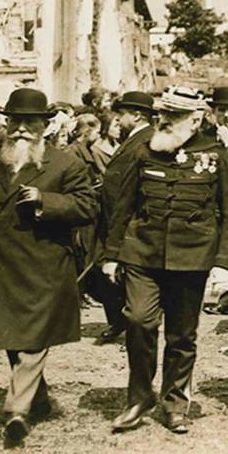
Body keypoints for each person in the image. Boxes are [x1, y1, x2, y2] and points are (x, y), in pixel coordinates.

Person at [0, 88, 97, 449]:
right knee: (13, 337)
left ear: (44, 126)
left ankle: (16, 411)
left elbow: (87, 206)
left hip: (44, 266)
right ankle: (38, 398)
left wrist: (47, 200)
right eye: (16, 121)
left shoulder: (65, 163)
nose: (21, 129)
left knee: (31, 340)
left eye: (30, 122)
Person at [102, 88, 228, 434]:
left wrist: (224, 263)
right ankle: (138, 398)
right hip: (142, 252)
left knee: (181, 335)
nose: (162, 120)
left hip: (191, 256)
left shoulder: (215, 153)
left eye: (173, 116)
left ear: (195, 120)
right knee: (138, 320)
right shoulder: (143, 149)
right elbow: (124, 205)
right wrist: (111, 254)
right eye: (163, 113)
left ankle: (175, 403)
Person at [90, 92, 157, 346]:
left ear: (137, 115)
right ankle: (120, 322)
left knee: (122, 274)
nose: (118, 120)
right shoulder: (134, 139)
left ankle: (129, 326)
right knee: (105, 273)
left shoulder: (146, 140)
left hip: (127, 221)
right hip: (112, 218)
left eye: (122, 115)